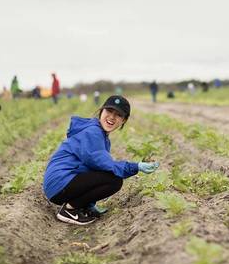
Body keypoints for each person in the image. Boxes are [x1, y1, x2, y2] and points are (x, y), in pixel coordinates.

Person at [43, 95, 160, 225]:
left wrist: (89, 203)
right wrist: (135, 166)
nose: (112, 117)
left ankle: (83, 206)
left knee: (107, 176)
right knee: (114, 180)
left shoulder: (101, 135)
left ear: (124, 120)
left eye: (118, 115)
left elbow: (94, 169)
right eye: (109, 111)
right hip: (60, 183)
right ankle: (70, 210)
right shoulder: (93, 132)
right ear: (101, 111)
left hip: (61, 182)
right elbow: (103, 164)